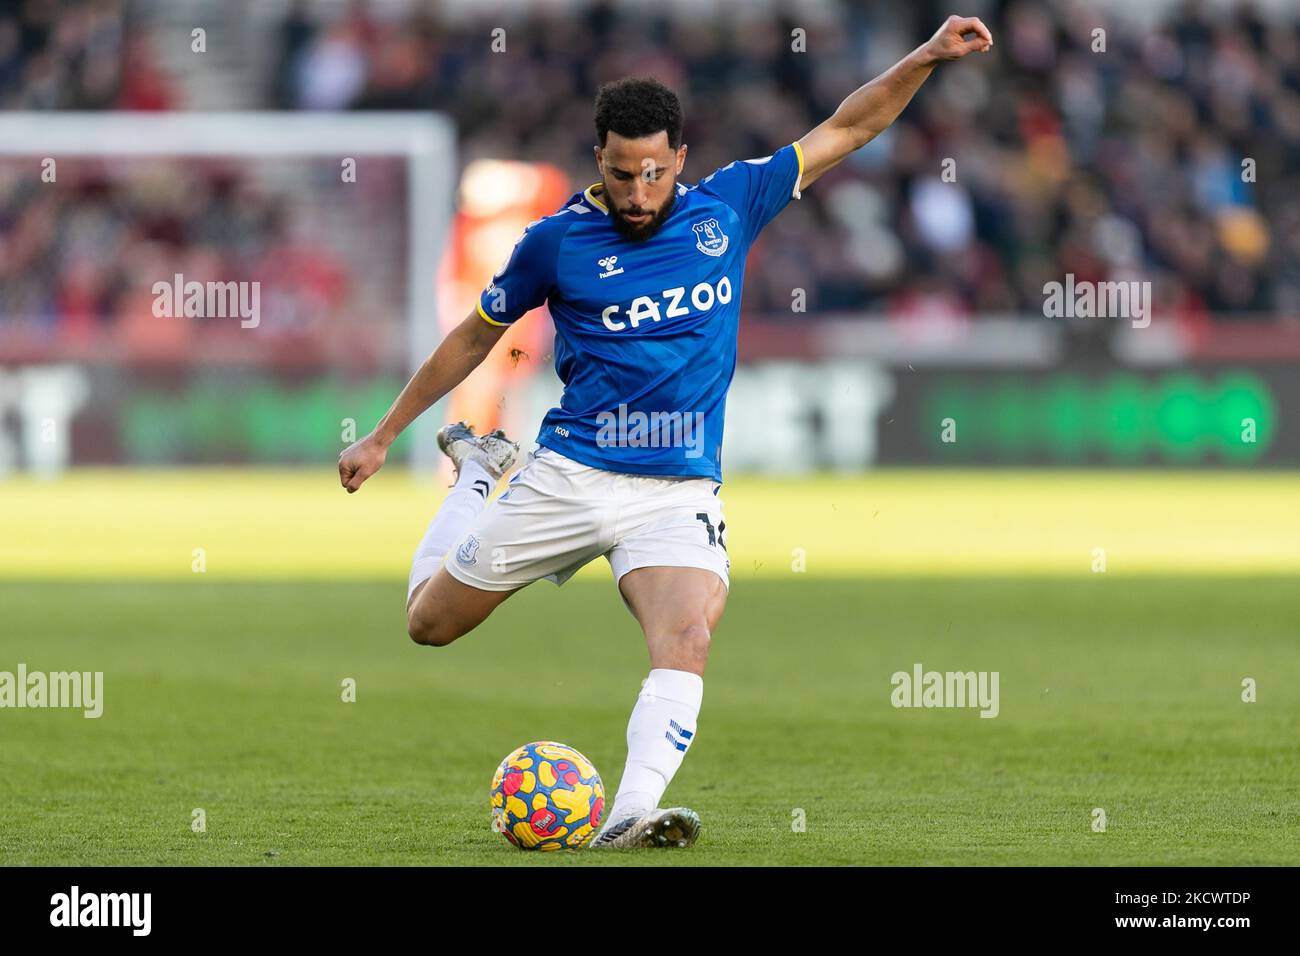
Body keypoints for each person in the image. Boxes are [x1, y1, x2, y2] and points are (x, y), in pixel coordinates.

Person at [338, 15, 993, 849]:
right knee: (428, 625)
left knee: (686, 635)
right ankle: (476, 475)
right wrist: (386, 432)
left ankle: (629, 814)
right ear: (598, 163)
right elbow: (474, 333)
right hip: (569, 474)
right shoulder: (555, 242)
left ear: (680, 159)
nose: (638, 194)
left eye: (653, 173)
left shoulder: (730, 204)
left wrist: (927, 55)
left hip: (678, 487)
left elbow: (849, 127)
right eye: (621, 175)